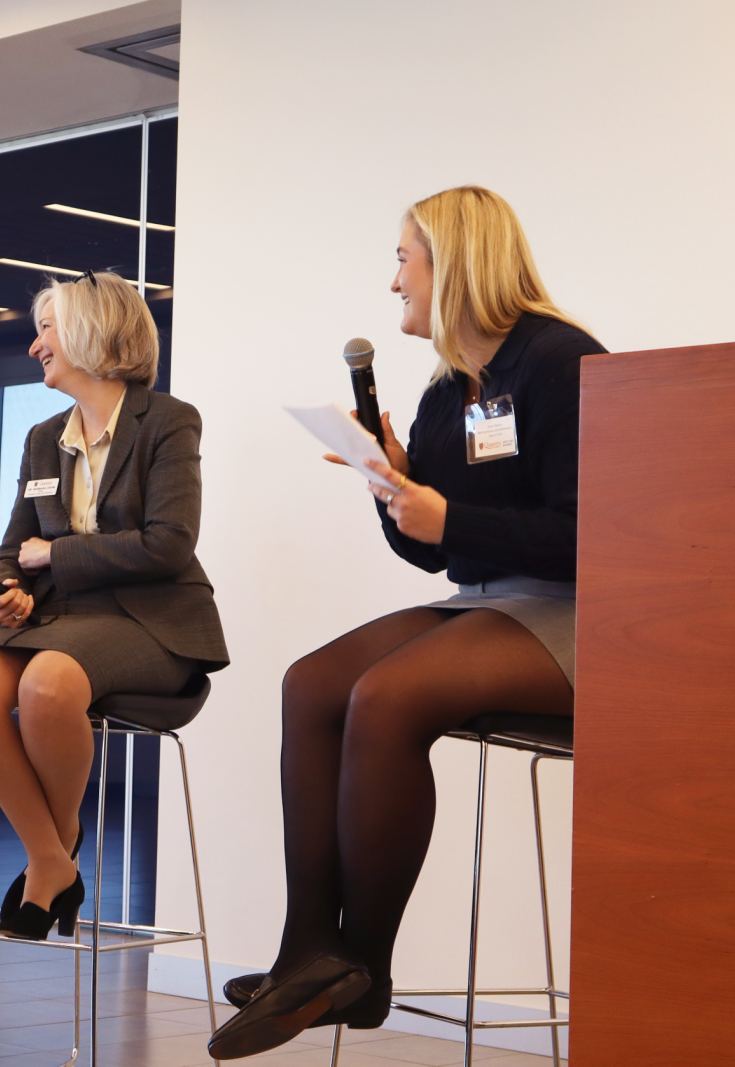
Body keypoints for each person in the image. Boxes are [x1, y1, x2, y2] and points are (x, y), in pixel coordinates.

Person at [207, 187, 604, 1059]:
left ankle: (364, 966)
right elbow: (431, 557)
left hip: (579, 612)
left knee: (386, 696)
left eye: (403, 259)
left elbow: (592, 533)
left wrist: (447, 519)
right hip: (485, 601)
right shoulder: (445, 391)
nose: (394, 283)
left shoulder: (560, 360)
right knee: (312, 683)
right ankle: (307, 949)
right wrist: (392, 490)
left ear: (454, 261)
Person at [0, 271, 228, 941]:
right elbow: (16, 545)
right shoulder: (45, 436)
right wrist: (9, 586)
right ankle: (52, 858)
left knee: (48, 680)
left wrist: (53, 557)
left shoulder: (167, 421)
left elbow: (169, 543)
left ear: (90, 331)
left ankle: (53, 856)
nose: (35, 345)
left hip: (153, 619)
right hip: (63, 620)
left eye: (47, 328)